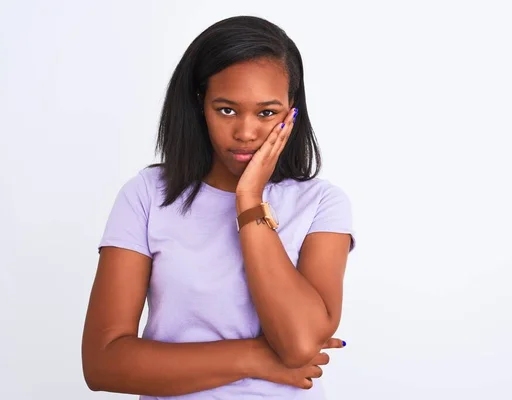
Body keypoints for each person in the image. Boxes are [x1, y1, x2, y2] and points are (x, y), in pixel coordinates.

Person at [81, 15, 356, 399]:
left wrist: (249, 202)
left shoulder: (321, 204)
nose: (245, 132)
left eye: (266, 113)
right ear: (200, 103)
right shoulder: (147, 194)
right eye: (227, 109)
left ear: (291, 110)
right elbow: (104, 364)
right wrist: (256, 359)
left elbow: (298, 345)